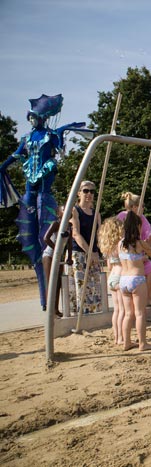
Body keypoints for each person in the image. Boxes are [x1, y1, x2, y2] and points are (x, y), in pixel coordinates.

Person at [0, 94, 90, 310]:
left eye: (36, 117)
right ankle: (47, 302)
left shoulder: (50, 135)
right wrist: (3, 167)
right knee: (30, 203)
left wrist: (63, 132)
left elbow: (59, 149)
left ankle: (49, 303)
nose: (33, 120)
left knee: (42, 201)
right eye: (31, 117)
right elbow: (14, 157)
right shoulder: (26, 139)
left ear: (43, 117)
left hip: (44, 184)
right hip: (30, 185)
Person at [119, 211, 151, 351]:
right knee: (140, 313)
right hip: (137, 278)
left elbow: (127, 259)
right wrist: (148, 245)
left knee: (128, 314)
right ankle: (143, 343)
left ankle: (126, 342)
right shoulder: (139, 243)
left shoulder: (120, 244)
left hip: (123, 280)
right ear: (137, 227)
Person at [117, 192, 151, 307]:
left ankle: (148, 298)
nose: (144, 208)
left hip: (139, 252)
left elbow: (147, 239)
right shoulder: (122, 216)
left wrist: (149, 240)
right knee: (139, 313)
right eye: (142, 206)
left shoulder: (143, 219)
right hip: (127, 256)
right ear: (134, 207)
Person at [69, 180, 102, 315]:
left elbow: (99, 234)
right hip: (79, 252)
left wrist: (98, 251)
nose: (89, 194)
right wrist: (89, 252)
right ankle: (81, 312)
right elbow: (75, 233)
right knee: (81, 283)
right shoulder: (75, 211)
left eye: (91, 191)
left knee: (95, 283)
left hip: (93, 252)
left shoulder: (96, 213)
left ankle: (94, 310)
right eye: (85, 191)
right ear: (79, 193)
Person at [98, 217, 125, 346]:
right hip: (120, 277)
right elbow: (125, 262)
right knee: (123, 310)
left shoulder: (108, 248)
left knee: (116, 310)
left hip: (112, 277)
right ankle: (121, 337)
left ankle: (116, 336)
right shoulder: (120, 244)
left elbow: (109, 266)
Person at [42, 204, 72, 317]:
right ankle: (49, 309)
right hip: (50, 254)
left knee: (58, 283)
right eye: (64, 210)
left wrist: (68, 257)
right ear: (59, 213)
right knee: (51, 282)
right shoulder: (55, 224)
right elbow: (46, 238)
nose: (67, 212)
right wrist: (56, 249)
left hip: (59, 255)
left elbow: (69, 243)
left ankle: (55, 309)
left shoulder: (69, 226)